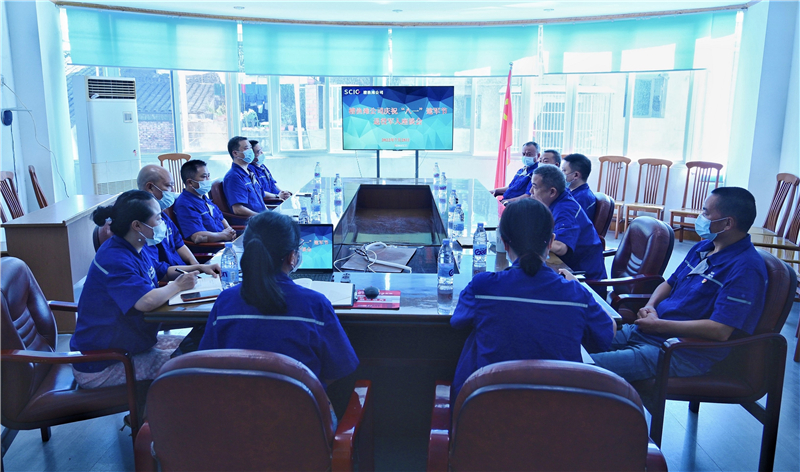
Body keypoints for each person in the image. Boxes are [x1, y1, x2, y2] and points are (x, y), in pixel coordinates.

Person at [591, 187, 767, 382]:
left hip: (681, 351)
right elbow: (669, 283)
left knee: (582, 366)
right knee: (574, 339)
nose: (700, 217)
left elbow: (720, 330)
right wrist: (650, 306)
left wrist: (659, 326)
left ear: (727, 223)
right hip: (648, 332)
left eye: (706, 212)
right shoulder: (703, 248)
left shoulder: (746, 269)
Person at [450, 198, 615, 401]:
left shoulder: (483, 287)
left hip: (488, 411)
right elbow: (607, 333)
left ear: (504, 242)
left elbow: (458, 321)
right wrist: (579, 287)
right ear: (551, 241)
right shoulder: (576, 295)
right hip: (559, 411)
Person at [70, 190, 219, 388]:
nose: (162, 223)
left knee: (203, 347)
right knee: (194, 365)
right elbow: (145, 301)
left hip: (131, 344)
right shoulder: (114, 258)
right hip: (103, 363)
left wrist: (199, 268)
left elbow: (162, 271)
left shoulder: (135, 246)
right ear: (137, 225)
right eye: (158, 218)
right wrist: (178, 285)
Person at [199, 210, 359, 388]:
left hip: (235, 404)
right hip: (301, 405)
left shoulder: (225, 301)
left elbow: (207, 362)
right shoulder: (315, 305)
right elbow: (339, 369)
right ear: (292, 257)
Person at [529, 164, 606, 281]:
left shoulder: (566, 210)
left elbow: (560, 247)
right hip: (566, 269)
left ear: (552, 192)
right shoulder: (553, 202)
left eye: (535, 187)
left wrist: (528, 238)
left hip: (583, 280)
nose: (531, 191)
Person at [137, 165, 199, 266]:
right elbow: (159, 269)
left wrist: (196, 265)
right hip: (173, 274)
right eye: (169, 186)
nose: (173, 191)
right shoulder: (144, 226)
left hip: (184, 270)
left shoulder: (163, 216)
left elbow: (179, 244)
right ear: (150, 187)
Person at [173, 159, 237, 243]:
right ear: (190, 182)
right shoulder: (185, 205)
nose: (208, 179)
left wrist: (230, 231)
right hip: (213, 247)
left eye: (208, 176)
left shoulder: (203, 198)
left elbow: (221, 218)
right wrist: (223, 235)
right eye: (203, 177)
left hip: (225, 242)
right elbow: (197, 236)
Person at [223, 136, 267, 217]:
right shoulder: (234, 177)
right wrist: (261, 217)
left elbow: (261, 201)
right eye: (247, 148)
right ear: (235, 153)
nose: (251, 151)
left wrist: (269, 215)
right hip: (252, 221)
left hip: (262, 217)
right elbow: (238, 209)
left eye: (250, 148)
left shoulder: (250, 173)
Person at [562, 153, 596, 220]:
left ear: (576, 175)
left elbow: (569, 221)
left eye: (564, 171)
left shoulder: (582, 198)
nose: (561, 174)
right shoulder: (570, 191)